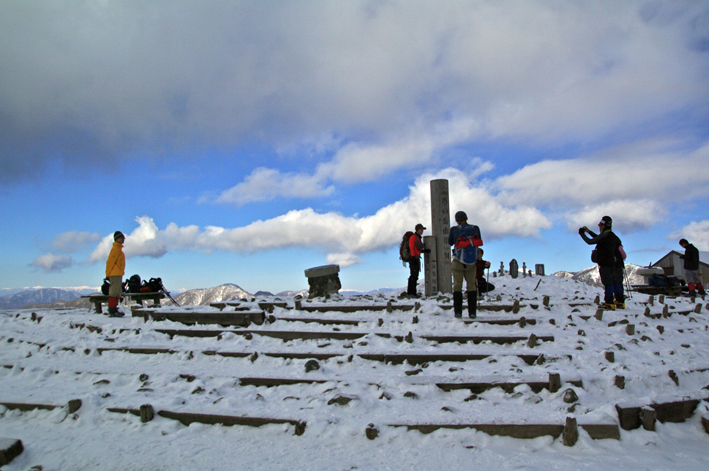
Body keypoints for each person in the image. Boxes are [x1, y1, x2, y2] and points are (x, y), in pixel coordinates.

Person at [579, 216, 624, 309]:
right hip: (614, 263)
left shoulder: (605, 236)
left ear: (603, 225)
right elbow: (599, 238)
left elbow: (591, 241)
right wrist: (589, 231)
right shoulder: (613, 236)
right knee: (615, 282)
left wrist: (582, 234)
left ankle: (609, 303)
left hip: (605, 263)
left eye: (600, 225)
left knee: (608, 283)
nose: (599, 226)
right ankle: (620, 301)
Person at [448, 211, 483, 318]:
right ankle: (472, 313)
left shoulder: (454, 229)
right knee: (471, 286)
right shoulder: (475, 228)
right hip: (471, 262)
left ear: (456, 220)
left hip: (458, 261)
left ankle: (458, 312)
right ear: (466, 218)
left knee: (457, 286)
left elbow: (450, 242)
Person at [105, 231, 126, 317]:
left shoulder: (118, 249)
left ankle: (114, 308)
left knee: (117, 292)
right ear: (117, 238)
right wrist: (108, 274)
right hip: (115, 274)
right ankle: (112, 310)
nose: (123, 240)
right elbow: (110, 262)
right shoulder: (115, 249)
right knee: (114, 292)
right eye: (122, 238)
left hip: (118, 274)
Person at [406, 223, 428, 297]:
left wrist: (423, 251)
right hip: (414, 259)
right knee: (413, 275)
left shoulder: (418, 237)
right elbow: (411, 247)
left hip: (416, 258)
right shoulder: (413, 237)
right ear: (418, 230)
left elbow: (417, 248)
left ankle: (412, 292)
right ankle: (411, 293)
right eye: (421, 229)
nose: (422, 231)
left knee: (415, 275)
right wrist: (413, 257)